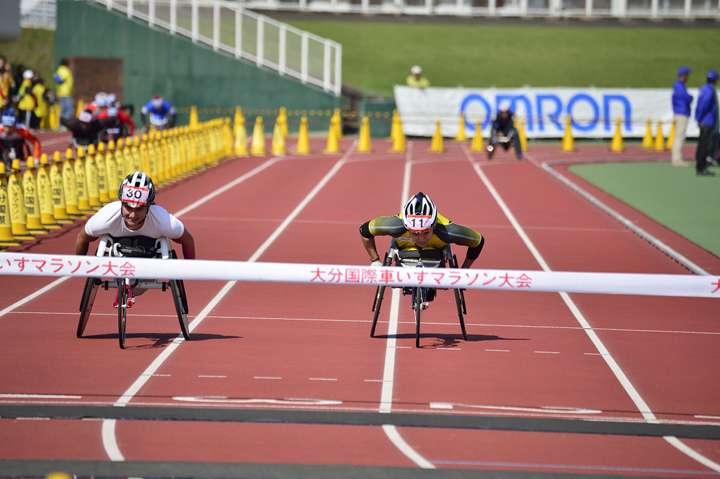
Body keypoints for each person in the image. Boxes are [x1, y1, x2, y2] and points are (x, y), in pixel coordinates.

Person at [360, 192, 484, 301]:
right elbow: (364, 231)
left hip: (436, 258)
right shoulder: (395, 225)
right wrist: (375, 260)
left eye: (426, 232)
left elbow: (478, 241)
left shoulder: (447, 230)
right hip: (404, 257)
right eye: (414, 233)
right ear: (407, 227)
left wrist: (464, 271)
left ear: (434, 226)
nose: (421, 239)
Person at [75, 171, 196, 262]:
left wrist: (190, 268)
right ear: (121, 203)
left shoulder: (163, 220)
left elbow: (188, 241)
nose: (133, 215)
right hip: (117, 258)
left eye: (139, 209)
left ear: (149, 207)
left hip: (150, 258)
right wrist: (77, 266)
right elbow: (82, 239)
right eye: (128, 207)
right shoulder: (105, 218)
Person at [694, 70, 718, 177]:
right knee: (704, 145)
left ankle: (700, 167)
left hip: (704, 120)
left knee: (702, 144)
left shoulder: (704, 89)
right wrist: (700, 119)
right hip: (707, 121)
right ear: (715, 80)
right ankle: (701, 168)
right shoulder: (709, 90)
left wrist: (698, 118)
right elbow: (704, 106)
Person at [671, 66, 694, 167]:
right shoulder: (679, 86)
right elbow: (687, 98)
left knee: (679, 136)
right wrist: (691, 97)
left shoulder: (679, 85)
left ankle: (677, 158)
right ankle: (677, 159)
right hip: (681, 113)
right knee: (680, 136)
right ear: (683, 75)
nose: (688, 77)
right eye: (687, 75)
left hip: (680, 112)